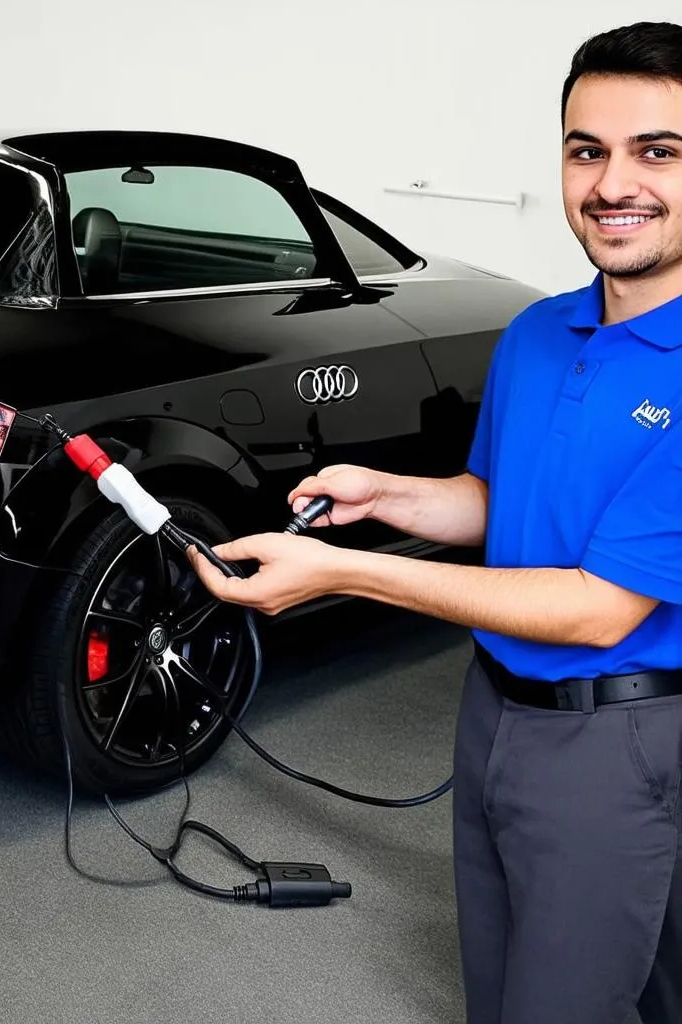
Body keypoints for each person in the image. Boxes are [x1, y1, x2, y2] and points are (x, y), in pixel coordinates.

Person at [187, 21, 682, 1024]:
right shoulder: (538, 331)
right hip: (495, 709)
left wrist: (340, 571)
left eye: (656, 151)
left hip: (622, 730)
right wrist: (386, 494)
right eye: (586, 150)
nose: (611, 183)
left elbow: (597, 607)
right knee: (499, 986)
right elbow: (505, 504)